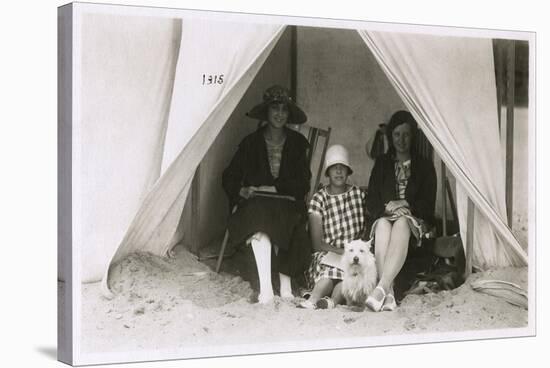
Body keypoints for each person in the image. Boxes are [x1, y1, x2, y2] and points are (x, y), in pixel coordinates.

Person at [222, 85, 312, 304]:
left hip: (287, 204)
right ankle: (266, 289)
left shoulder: (298, 144)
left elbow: (303, 184)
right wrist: (241, 190)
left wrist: (275, 188)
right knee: (259, 216)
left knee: (288, 219)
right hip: (257, 205)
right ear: (266, 112)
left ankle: (285, 286)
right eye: (275, 109)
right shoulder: (250, 143)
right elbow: (229, 176)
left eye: (284, 109)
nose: (280, 114)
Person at [365, 110, 437, 312]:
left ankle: (381, 287)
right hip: (386, 218)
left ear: (413, 136)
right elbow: (371, 200)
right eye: (397, 134)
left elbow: (428, 205)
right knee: (381, 225)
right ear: (391, 137)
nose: (401, 140)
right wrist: (386, 208)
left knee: (402, 223)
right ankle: (387, 293)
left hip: (413, 224)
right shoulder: (382, 164)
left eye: (406, 134)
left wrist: (404, 204)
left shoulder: (424, 166)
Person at [299, 144, 367, 309]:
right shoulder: (319, 199)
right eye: (334, 168)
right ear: (327, 172)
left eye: (342, 168)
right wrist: (342, 252)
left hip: (352, 256)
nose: (338, 172)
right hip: (326, 256)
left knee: (348, 276)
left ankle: (331, 302)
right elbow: (317, 244)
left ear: (348, 171)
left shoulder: (359, 195)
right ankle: (313, 300)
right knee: (330, 273)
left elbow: (365, 230)